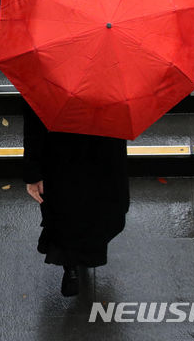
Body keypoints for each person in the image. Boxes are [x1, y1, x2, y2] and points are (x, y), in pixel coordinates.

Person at [22, 98, 130, 296]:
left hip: (62, 156)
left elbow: (34, 122)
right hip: (104, 156)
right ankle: (85, 255)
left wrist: (32, 172)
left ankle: (70, 266)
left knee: (67, 212)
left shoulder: (48, 75)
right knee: (99, 211)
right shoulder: (116, 79)